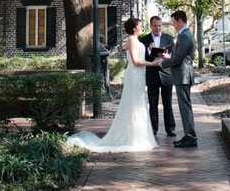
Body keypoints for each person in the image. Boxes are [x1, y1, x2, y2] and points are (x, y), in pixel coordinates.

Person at [66, 17, 160, 153]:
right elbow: (135, 61)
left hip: (139, 76)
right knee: (133, 104)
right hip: (134, 75)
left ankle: (141, 135)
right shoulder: (131, 40)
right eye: (140, 25)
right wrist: (152, 64)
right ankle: (133, 137)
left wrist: (152, 51)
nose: (141, 27)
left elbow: (141, 57)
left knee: (140, 104)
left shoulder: (136, 40)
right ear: (134, 28)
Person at [160, 10, 197, 148]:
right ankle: (189, 135)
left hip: (183, 75)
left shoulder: (184, 36)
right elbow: (177, 55)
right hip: (183, 75)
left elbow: (178, 58)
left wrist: (162, 63)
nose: (173, 25)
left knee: (185, 107)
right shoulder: (184, 35)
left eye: (174, 22)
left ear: (180, 21)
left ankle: (191, 137)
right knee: (184, 107)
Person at [140, 15, 176, 137]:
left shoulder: (169, 38)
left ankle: (170, 128)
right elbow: (143, 58)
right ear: (150, 26)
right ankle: (153, 129)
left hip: (166, 74)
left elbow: (173, 56)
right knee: (153, 104)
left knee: (168, 103)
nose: (157, 28)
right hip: (152, 75)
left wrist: (167, 56)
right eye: (155, 26)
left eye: (159, 25)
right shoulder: (144, 40)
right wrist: (150, 51)